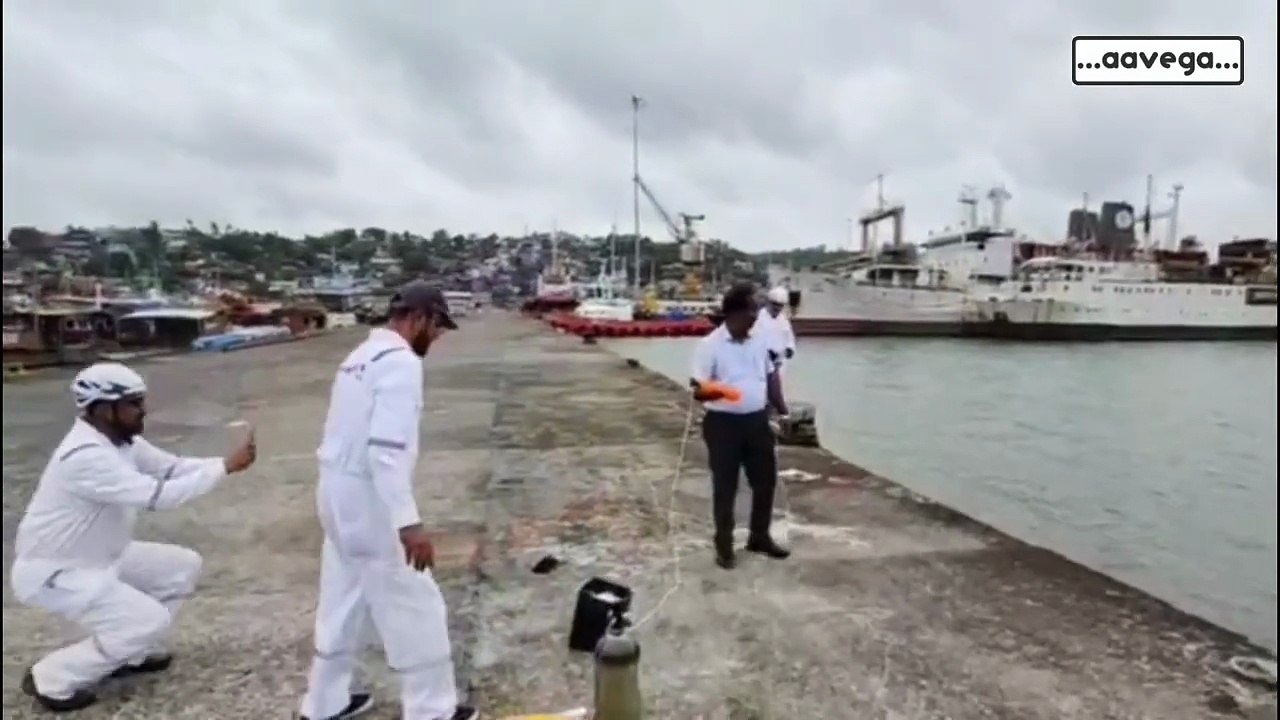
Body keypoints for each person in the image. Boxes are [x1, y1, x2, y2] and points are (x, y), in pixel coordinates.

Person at [11, 362, 258, 712]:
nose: (142, 411)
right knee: (147, 621)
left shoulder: (121, 441)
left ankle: (131, 652)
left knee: (181, 567)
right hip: (57, 572)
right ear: (101, 409)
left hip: (101, 555)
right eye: (133, 404)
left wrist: (224, 462)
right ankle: (51, 678)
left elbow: (171, 468)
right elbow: (158, 496)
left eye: (140, 401)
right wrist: (226, 467)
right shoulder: (85, 456)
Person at [299, 281, 478, 720]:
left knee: (342, 598)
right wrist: (409, 523)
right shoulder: (400, 363)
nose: (437, 338)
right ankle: (432, 711)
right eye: (437, 327)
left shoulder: (358, 357)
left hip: (334, 490)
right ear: (419, 318)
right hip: (368, 496)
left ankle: (323, 704)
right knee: (415, 603)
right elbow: (385, 450)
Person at [691, 282, 791, 570]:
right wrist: (728, 392)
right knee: (726, 486)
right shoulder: (710, 345)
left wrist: (782, 411)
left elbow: (771, 377)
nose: (755, 318)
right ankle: (724, 544)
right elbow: (699, 391)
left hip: (757, 421)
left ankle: (759, 536)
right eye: (751, 312)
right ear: (733, 313)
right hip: (723, 425)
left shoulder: (760, 340)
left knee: (765, 482)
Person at [754, 286, 796, 376]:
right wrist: (767, 354)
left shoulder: (783, 320)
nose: (777, 308)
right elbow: (754, 341)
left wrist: (789, 350)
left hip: (779, 365)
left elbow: (790, 340)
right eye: (775, 304)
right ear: (768, 302)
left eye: (780, 305)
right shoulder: (759, 318)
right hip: (761, 366)